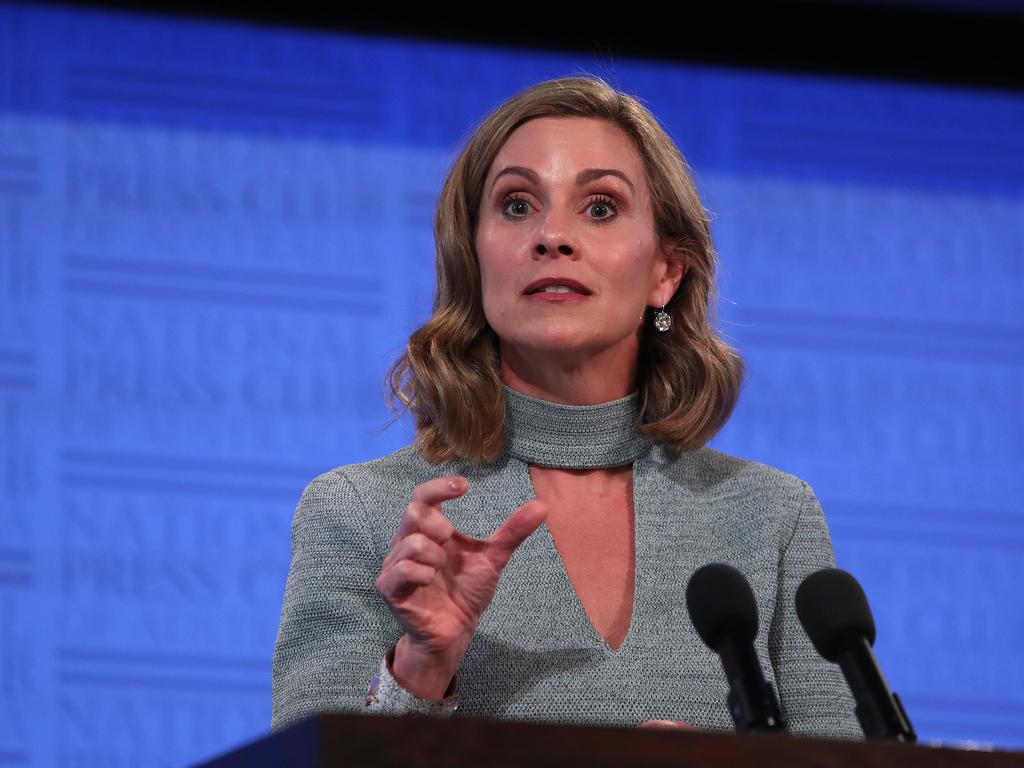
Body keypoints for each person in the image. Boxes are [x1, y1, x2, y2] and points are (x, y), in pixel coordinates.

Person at [270, 75, 860, 738]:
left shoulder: (772, 519)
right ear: (474, 259)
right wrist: (421, 668)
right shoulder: (360, 514)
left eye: (601, 207)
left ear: (666, 271)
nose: (552, 236)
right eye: (517, 205)